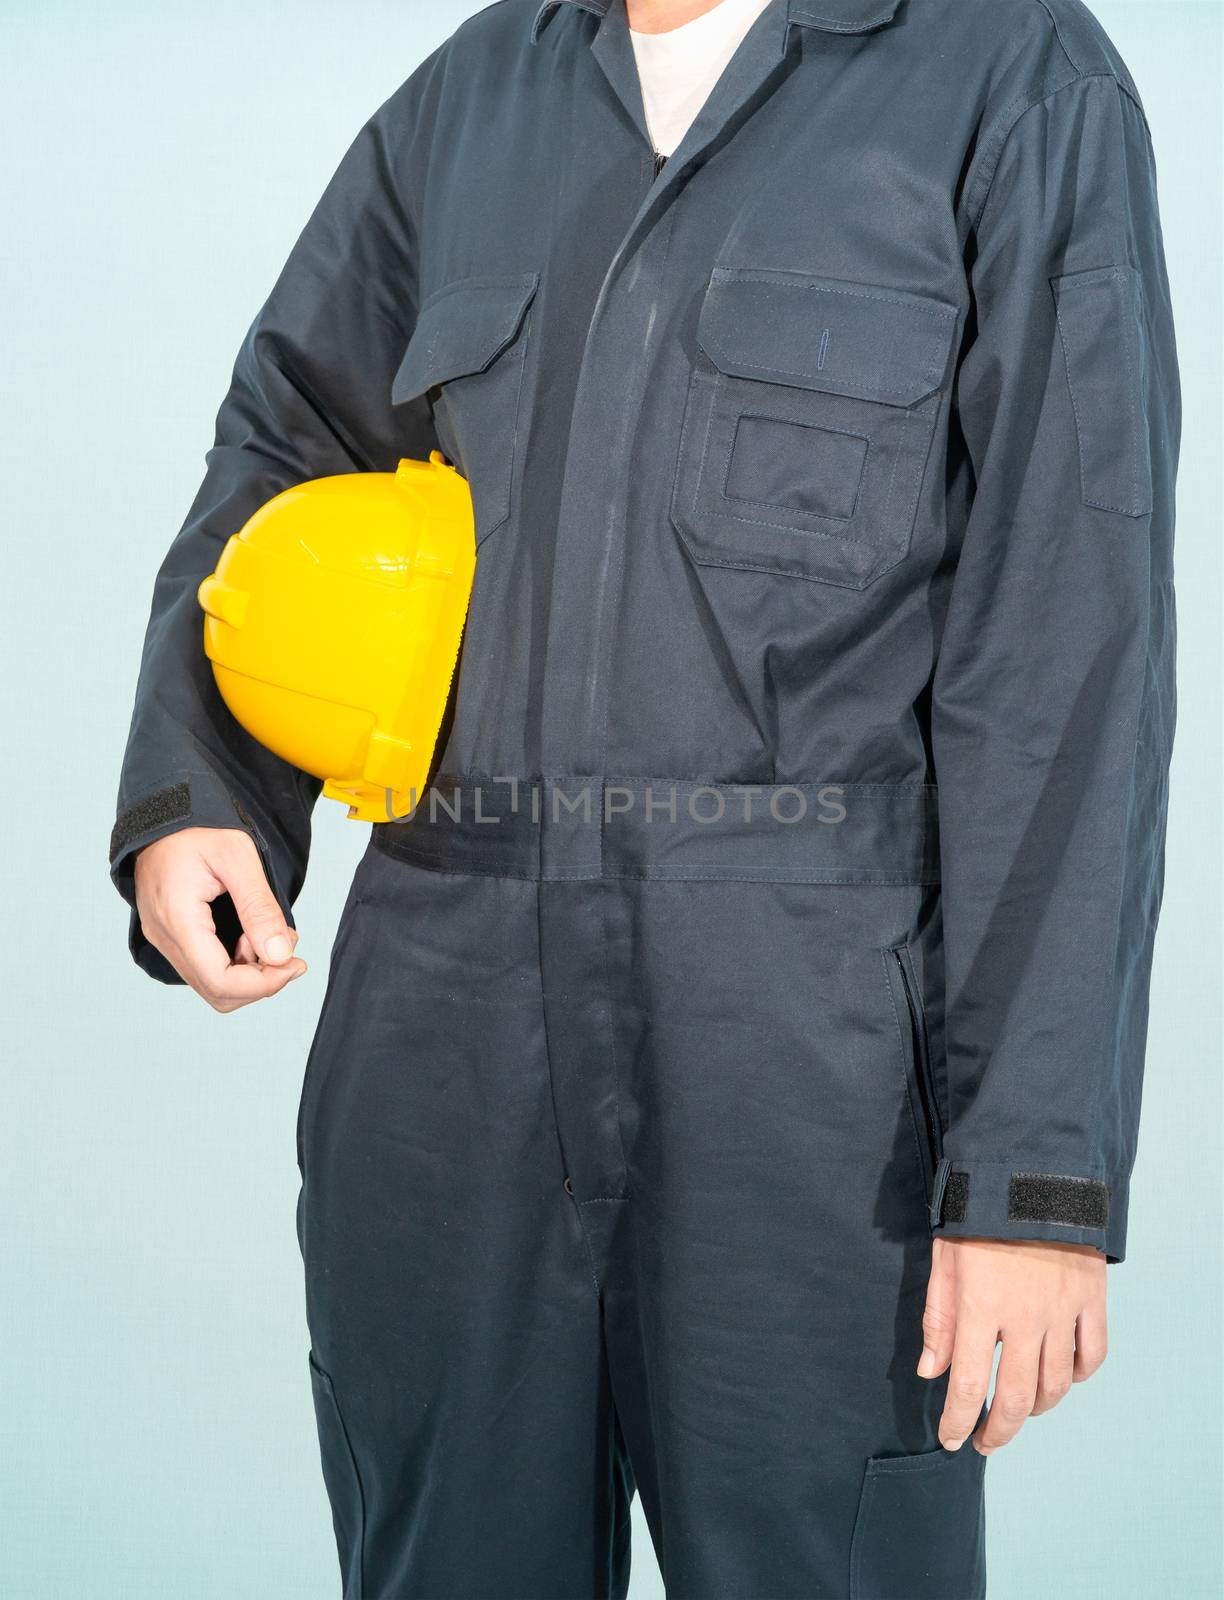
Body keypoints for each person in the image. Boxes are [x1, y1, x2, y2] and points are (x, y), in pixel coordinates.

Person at [108, 0, 1180, 1593]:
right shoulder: (469, 101)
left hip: (815, 1075)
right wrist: (200, 790)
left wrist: (1036, 1178)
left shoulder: (1015, 80)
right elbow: (290, 440)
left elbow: (1068, 647)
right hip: (445, 1025)